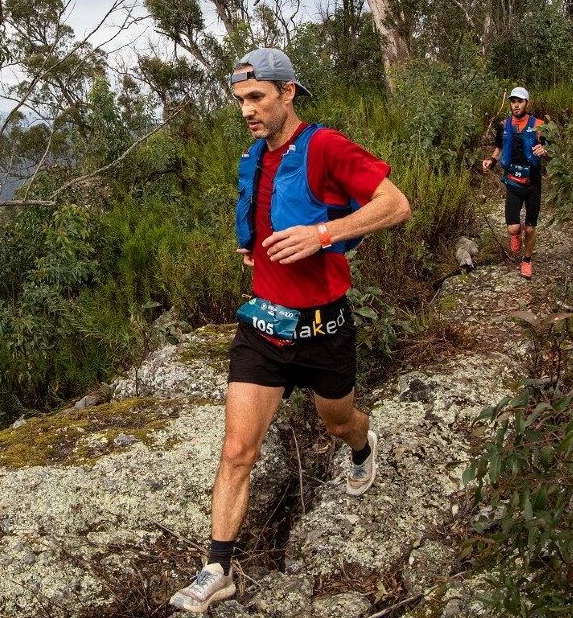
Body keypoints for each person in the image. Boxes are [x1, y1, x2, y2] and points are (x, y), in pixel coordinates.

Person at [168, 48, 411, 613]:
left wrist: (322, 234)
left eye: (257, 98)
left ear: (288, 93)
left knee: (338, 421)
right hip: (265, 331)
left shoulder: (325, 147)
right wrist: (255, 251)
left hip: (325, 329)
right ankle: (217, 568)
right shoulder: (254, 158)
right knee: (236, 450)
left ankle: (361, 443)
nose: (248, 111)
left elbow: (395, 205)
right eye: (241, 101)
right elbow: (264, 226)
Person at [482, 87, 548, 279]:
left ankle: (526, 261)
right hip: (512, 182)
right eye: (513, 101)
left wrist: (544, 150)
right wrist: (492, 161)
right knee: (513, 228)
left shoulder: (539, 125)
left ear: (527, 103)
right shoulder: (504, 125)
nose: (516, 105)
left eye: (520, 101)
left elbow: (549, 145)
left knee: (530, 228)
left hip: (532, 183)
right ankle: (515, 234)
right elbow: (500, 147)